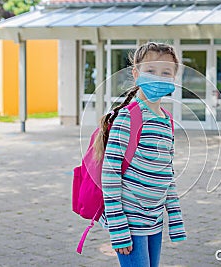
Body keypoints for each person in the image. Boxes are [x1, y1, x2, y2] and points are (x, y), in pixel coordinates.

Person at [93, 42, 187, 267]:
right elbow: (111, 173)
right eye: (150, 71)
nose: (158, 78)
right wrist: (118, 228)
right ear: (136, 74)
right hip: (129, 221)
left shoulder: (167, 121)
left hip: (154, 221)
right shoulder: (128, 117)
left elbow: (167, 174)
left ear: (173, 79)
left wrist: (174, 218)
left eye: (166, 73)